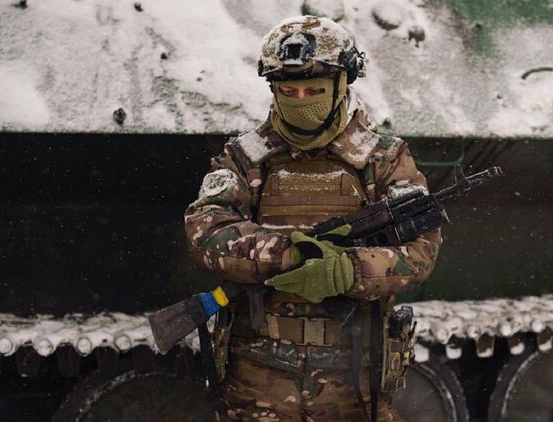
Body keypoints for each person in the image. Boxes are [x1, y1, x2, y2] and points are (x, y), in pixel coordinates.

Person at [184, 15, 442, 422]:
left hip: (354, 377)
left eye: (314, 90)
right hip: (257, 376)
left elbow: (421, 251)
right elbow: (205, 230)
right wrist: (286, 255)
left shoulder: (383, 158)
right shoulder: (245, 157)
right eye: (289, 91)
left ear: (341, 85)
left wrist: (350, 270)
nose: (301, 100)